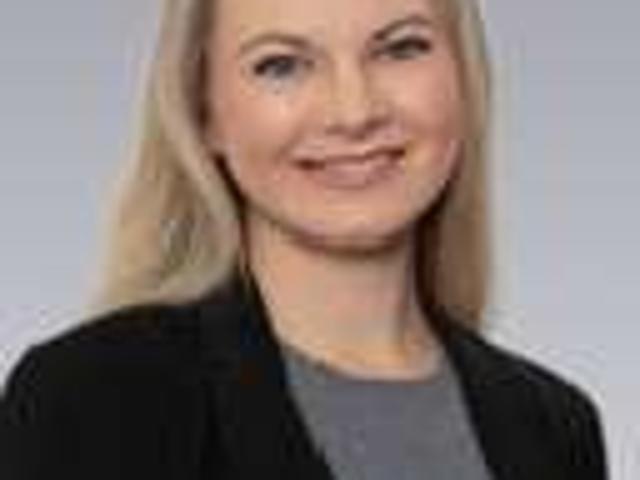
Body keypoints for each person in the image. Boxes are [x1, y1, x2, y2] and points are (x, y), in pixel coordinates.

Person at [0, 0, 608, 478]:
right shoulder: (96, 396)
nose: (354, 112)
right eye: (282, 65)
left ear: (464, 77)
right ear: (203, 112)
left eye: (401, 48)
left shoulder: (555, 429)